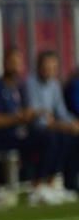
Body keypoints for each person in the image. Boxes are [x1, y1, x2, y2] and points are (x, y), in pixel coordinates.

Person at [24, 51, 79, 201]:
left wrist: (73, 123)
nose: (50, 70)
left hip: (52, 127)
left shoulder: (54, 85)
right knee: (53, 138)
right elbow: (39, 119)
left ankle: (64, 184)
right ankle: (39, 184)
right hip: (32, 131)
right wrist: (62, 126)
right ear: (39, 67)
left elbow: (61, 112)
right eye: (47, 66)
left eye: (53, 67)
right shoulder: (30, 84)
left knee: (72, 138)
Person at [0, 48, 36, 186]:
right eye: (12, 62)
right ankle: (31, 184)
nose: (16, 66)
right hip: (1, 139)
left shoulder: (20, 87)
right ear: (5, 63)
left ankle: (44, 182)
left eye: (18, 63)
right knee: (35, 142)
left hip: (19, 136)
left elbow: (26, 111)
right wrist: (16, 119)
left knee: (47, 138)